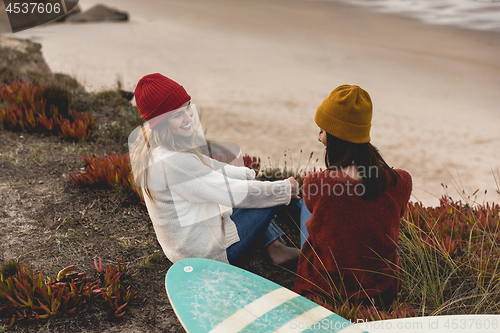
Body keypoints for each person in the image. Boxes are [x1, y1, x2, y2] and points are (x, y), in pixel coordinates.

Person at [128, 73, 300, 266]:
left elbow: (210, 169)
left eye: (187, 107)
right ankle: (305, 248)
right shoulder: (171, 162)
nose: (188, 118)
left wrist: (249, 175)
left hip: (188, 245)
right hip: (207, 255)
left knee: (256, 192)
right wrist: (286, 189)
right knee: (270, 196)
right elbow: (231, 193)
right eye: (178, 115)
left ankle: (275, 247)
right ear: (161, 123)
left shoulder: (156, 149)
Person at [294, 84, 412, 308]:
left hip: (323, 291)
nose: (319, 138)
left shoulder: (316, 183)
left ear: (336, 135)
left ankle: (286, 250)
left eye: (322, 130)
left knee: (304, 208)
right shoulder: (400, 182)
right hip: (380, 293)